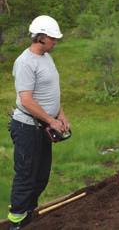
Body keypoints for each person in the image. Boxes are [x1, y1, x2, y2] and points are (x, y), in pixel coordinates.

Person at [7, 15, 70, 230]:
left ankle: (29, 215)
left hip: (43, 125)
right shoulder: (25, 62)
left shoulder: (46, 57)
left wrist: (61, 114)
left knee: (41, 175)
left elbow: (49, 92)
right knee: (26, 175)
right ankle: (16, 222)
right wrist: (50, 120)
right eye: (53, 38)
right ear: (41, 37)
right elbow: (26, 100)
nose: (55, 42)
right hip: (27, 127)